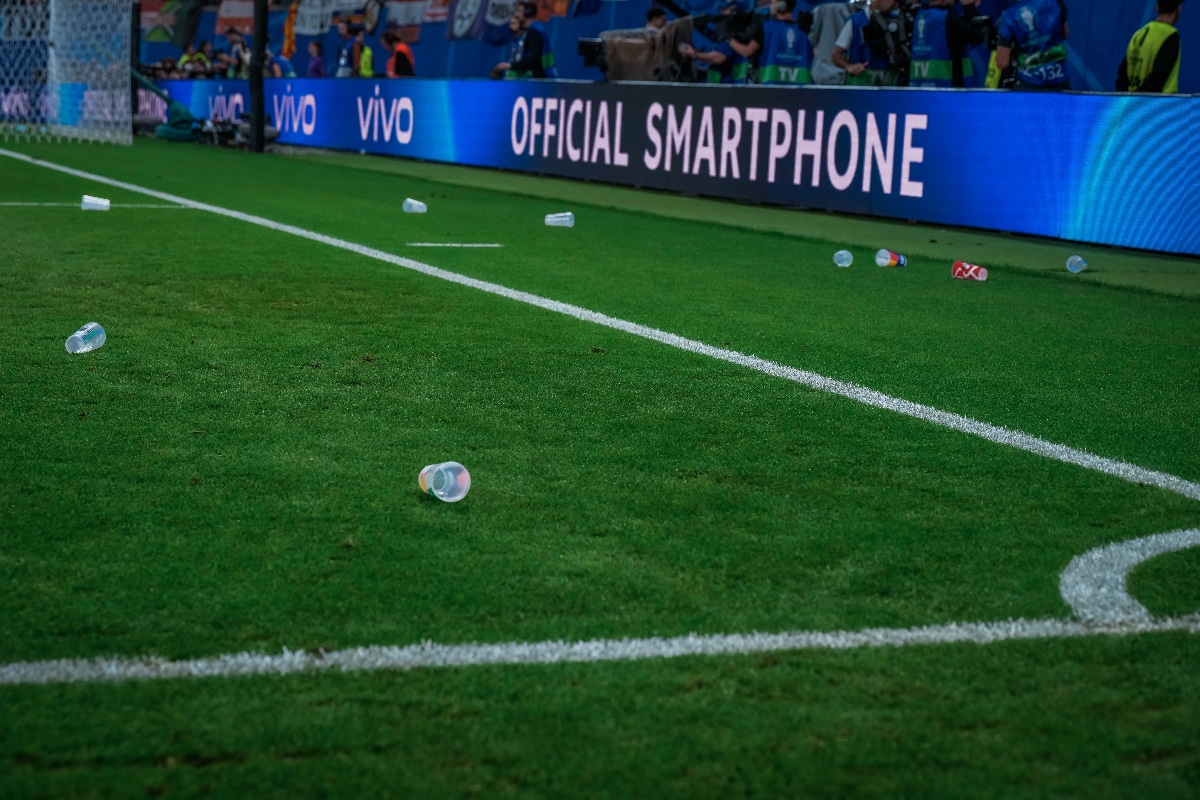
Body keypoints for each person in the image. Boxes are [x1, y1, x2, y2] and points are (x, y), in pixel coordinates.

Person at [994, 0, 1069, 90]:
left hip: (1028, 84)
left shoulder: (1007, 17)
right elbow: (1065, 33)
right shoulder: (1056, 3)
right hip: (1059, 79)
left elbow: (1002, 63)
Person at [909, 0, 986, 87]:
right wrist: (969, 7)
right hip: (948, 90)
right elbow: (977, 37)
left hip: (918, 88)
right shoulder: (947, 19)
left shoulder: (919, 16)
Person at [832, 0, 907, 86]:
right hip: (860, 84)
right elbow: (836, 55)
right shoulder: (855, 21)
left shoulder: (896, 20)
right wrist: (849, 67)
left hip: (888, 83)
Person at [1117, 0, 1183, 93]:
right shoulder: (1170, 35)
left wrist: (1129, 98)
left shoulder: (1138, 34)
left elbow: (1122, 73)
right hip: (1158, 104)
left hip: (1132, 103)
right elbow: (1158, 77)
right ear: (1178, 9)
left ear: (1157, 8)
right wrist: (1140, 99)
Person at [491, 2, 557, 79]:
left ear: (528, 13)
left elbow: (532, 60)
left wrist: (509, 66)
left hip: (538, 84)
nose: (516, 15)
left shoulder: (535, 32)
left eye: (518, 11)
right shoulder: (526, 33)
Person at [758, 0, 813, 86]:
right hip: (802, 90)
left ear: (781, 5)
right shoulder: (805, 31)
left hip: (770, 88)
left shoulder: (766, 28)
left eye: (773, 3)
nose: (770, 6)